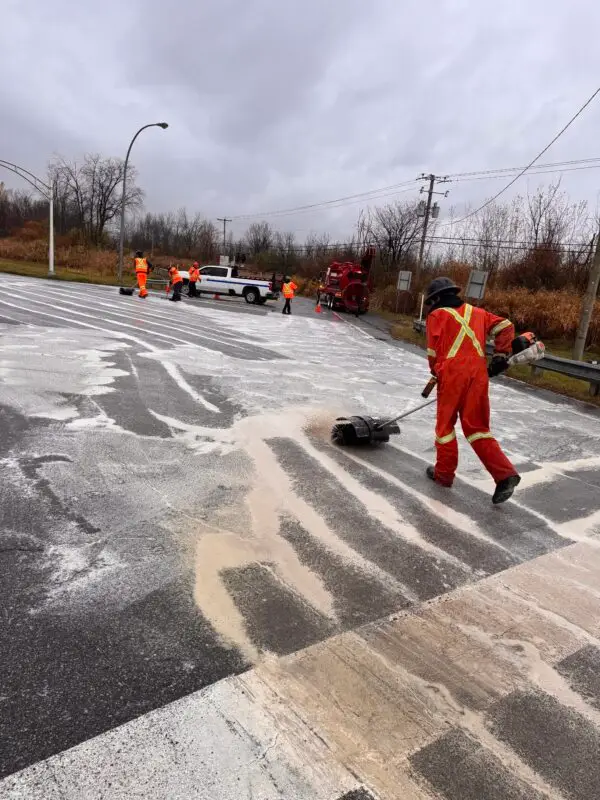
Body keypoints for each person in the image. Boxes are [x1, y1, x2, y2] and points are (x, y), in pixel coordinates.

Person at [424, 276, 521, 504]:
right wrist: (499, 354)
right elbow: (506, 326)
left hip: (452, 374)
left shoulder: (436, 316)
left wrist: (437, 372)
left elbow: (432, 354)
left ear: (437, 298)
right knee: (478, 428)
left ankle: (444, 475)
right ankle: (505, 475)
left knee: (445, 426)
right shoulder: (477, 312)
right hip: (478, 374)